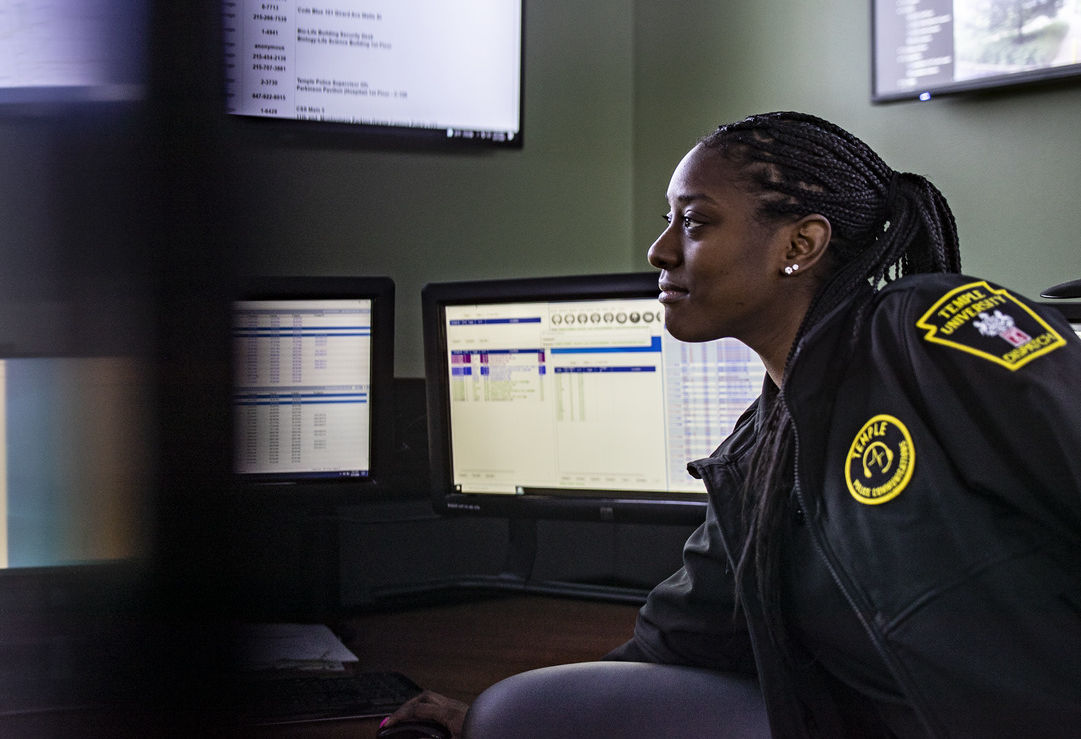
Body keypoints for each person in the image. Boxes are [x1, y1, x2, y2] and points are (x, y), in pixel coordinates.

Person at [382, 111, 1081, 737]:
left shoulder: (928, 328)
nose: (658, 250)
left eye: (693, 221)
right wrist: (481, 716)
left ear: (799, 244)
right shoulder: (760, 448)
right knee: (518, 714)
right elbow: (683, 636)